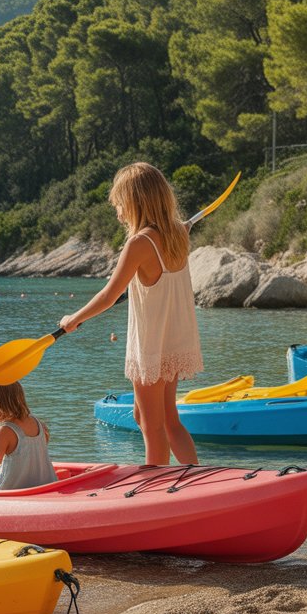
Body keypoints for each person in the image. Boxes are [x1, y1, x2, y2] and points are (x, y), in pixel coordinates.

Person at [60, 162, 203, 466]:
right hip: (175, 340)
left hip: (151, 345)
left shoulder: (140, 243)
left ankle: (157, 486)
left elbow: (109, 296)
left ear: (136, 203)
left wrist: (75, 318)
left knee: (153, 425)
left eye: (120, 204)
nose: (118, 212)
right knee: (159, 417)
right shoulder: (179, 234)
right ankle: (194, 475)